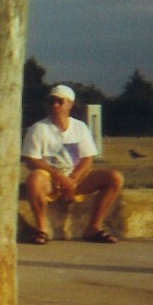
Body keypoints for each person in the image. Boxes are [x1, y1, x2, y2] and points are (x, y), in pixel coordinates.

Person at [21, 84, 124, 244]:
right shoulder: (38, 128)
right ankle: (42, 229)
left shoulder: (80, 127)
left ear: (69, 104)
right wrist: (58, 176)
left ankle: (94, 228)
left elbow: (87, 159)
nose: (54, 105)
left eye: (59, 101)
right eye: (51, 101)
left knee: (114, 178)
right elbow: (31, 159)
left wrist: (74, 179)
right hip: (50, 178)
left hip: (75, 178)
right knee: (34, 179)